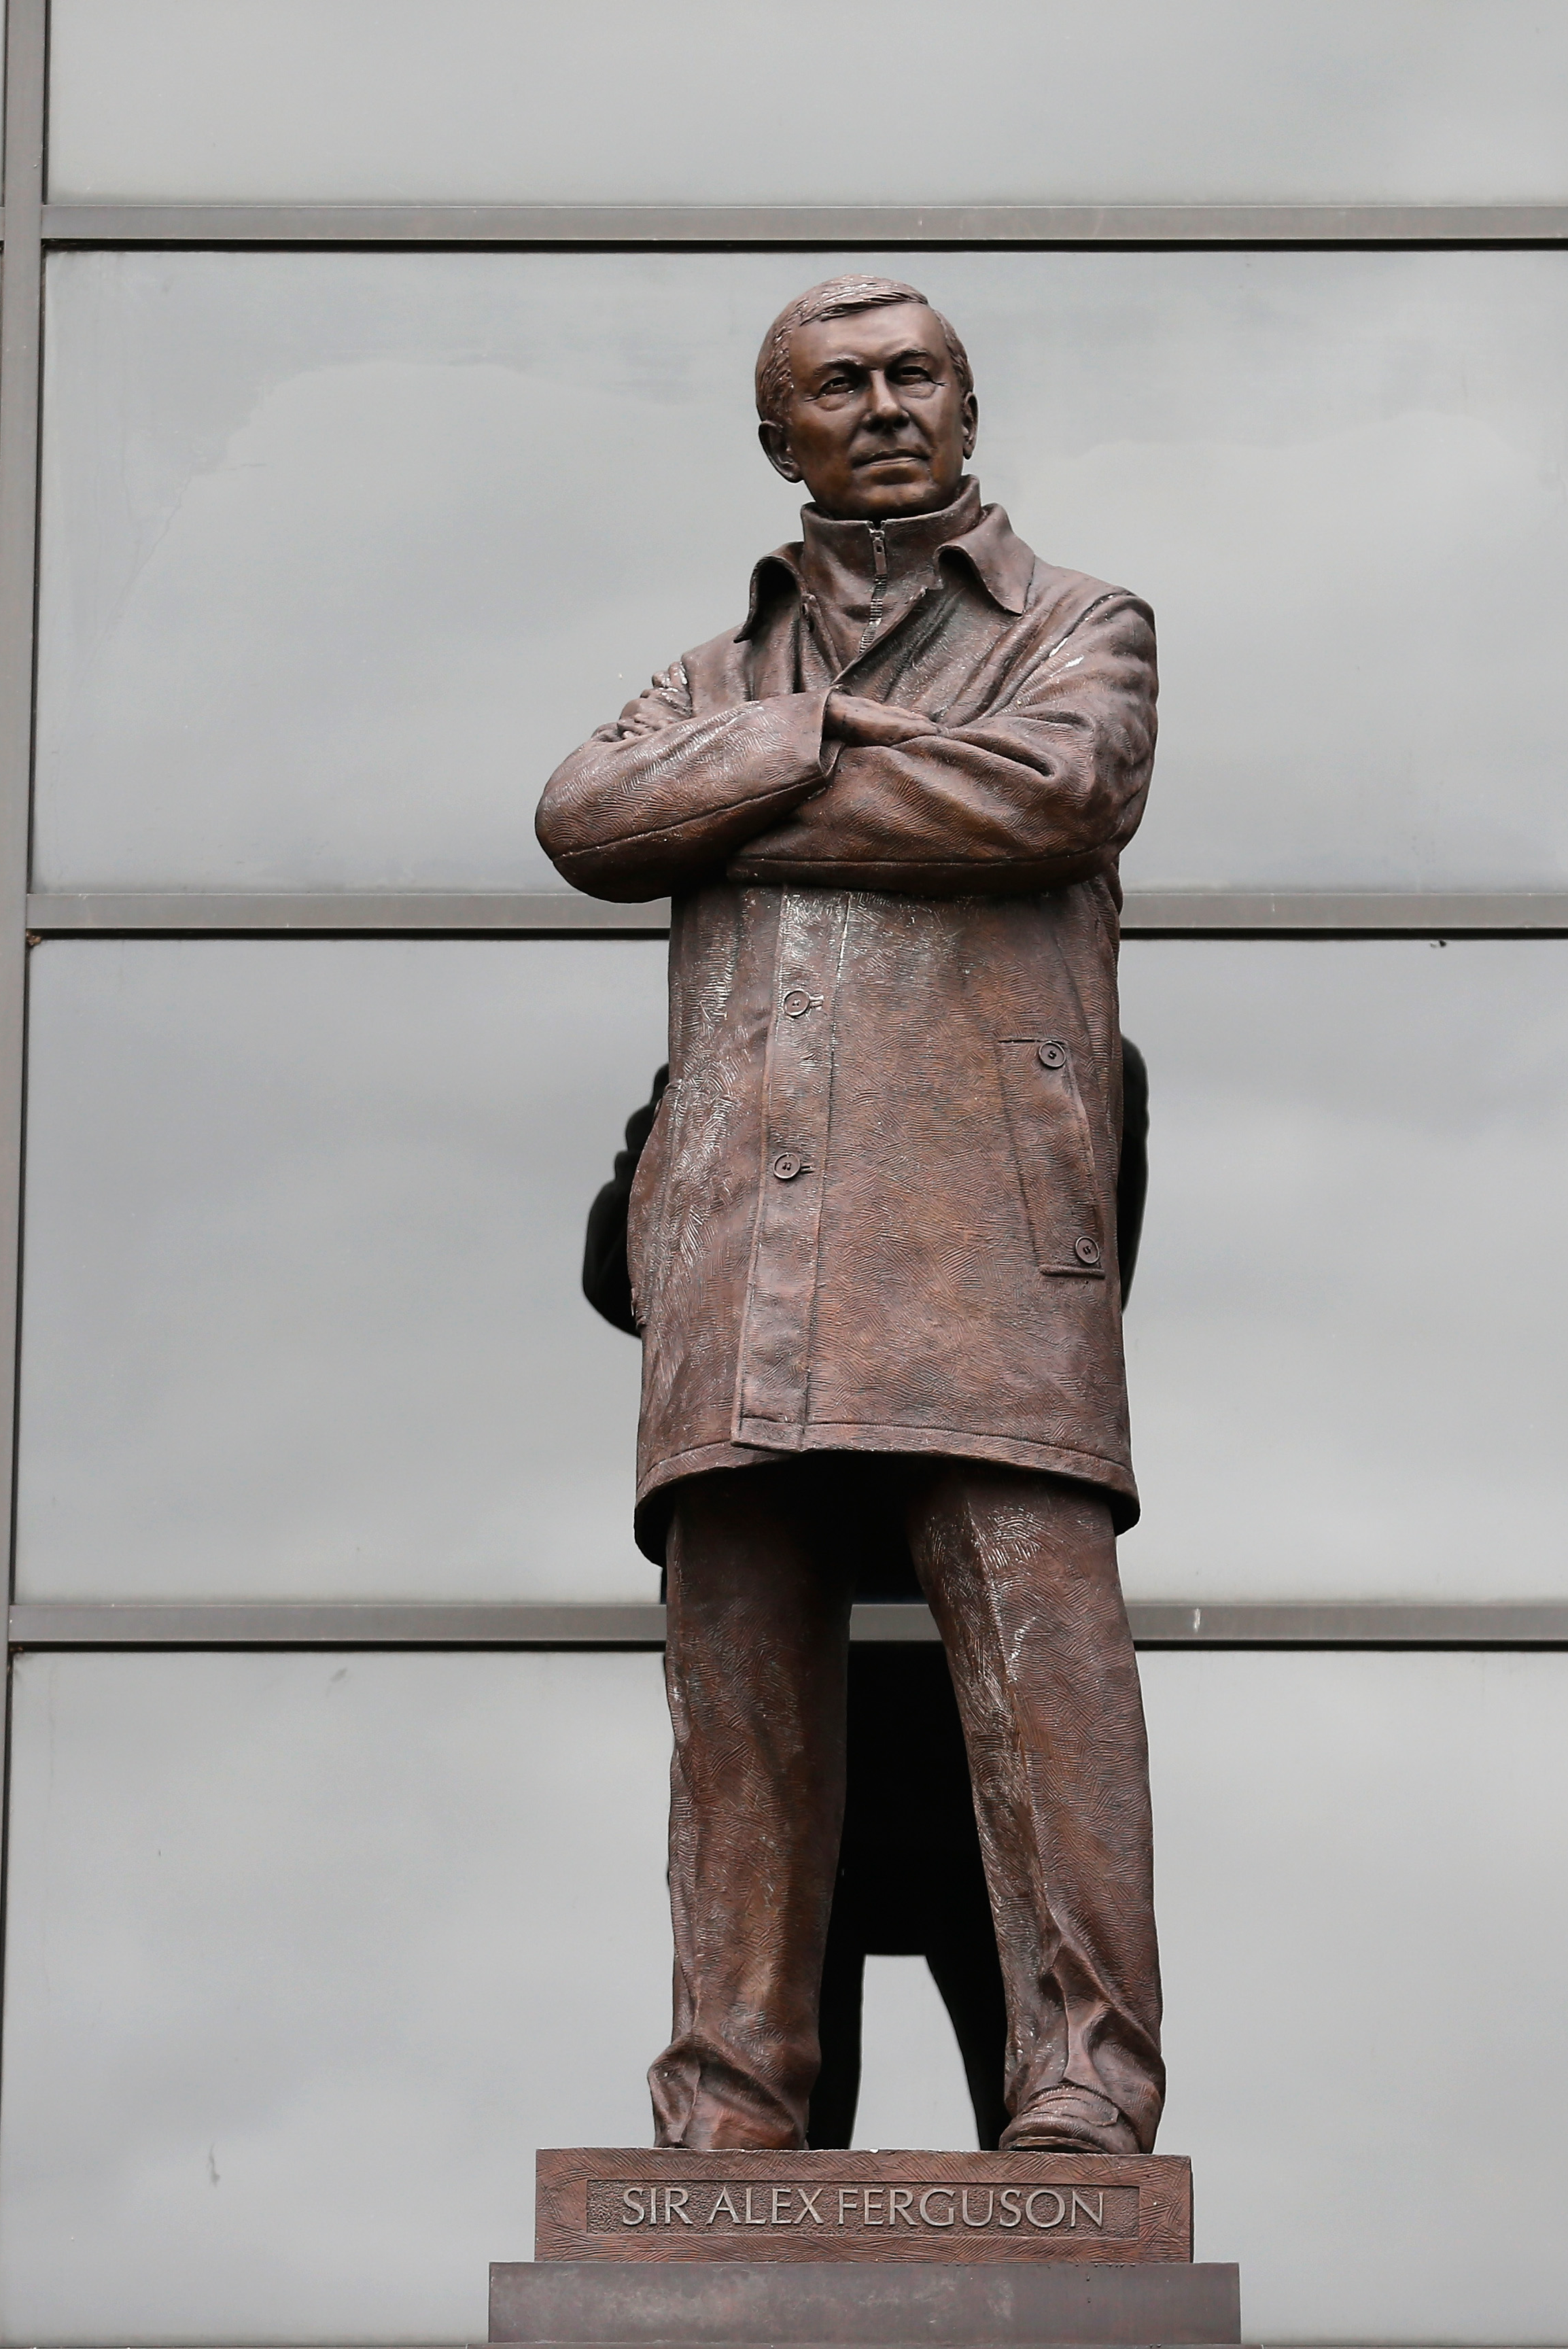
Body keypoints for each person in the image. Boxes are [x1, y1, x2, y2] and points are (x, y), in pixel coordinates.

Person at [537, 275, 1164, 2156]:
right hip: (744, 1271)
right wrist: (833, 745)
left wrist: (744, 783)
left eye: (918, 374)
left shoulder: (1082, 623)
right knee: (736, 1727)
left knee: (1051, 1701)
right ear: (778, 438)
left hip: (982, 1260)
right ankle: (726, 2102)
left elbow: (1058, 795)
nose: (887, 404)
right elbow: (583, 820)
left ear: (969, 407)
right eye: (842, 383)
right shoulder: (708, 664)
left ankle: (1087, 2092)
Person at [578, 1047, 1151, 2153]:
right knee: (768, 2126)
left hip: (946, 1678)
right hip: (819, 1646)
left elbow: (1072, 1278)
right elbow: (625, 1270)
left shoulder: (1062, 1046)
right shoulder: (735, 1059)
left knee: (1044, 2132)